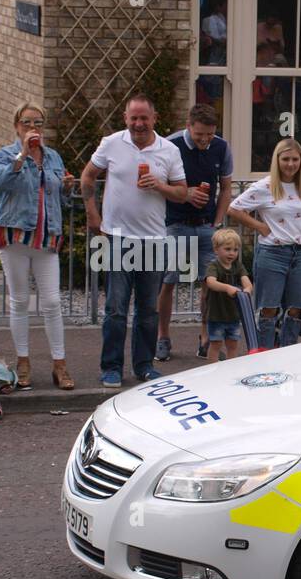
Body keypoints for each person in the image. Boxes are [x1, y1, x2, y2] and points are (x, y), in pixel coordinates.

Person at [80, 94, 187, 389]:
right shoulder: (112, 142)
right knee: (115, 307)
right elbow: (88, 176)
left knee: (148, 310)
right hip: (116, 237)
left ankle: (144, 366)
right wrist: (92, 214)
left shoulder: (168, 150)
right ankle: (111, 367)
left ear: (155, 119)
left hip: (153, 239)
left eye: (144, 118)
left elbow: (182, 193)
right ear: (125, 118)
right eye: (133, 118)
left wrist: (159, 185)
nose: (138, 124)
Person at [227, 138, 301, 349]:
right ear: (277, 160)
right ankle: (263, 353)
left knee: (296, 309)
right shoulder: (265, 186)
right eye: (285, 159)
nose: (290, 164)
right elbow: (234, 209)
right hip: (272, 253)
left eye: (295, 159)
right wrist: (260, 226)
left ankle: (288, 351)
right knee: (269, 308)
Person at [0, 102, 77, 390]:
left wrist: (66, 188)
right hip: (15, 237)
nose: (33, 128)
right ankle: (23, 362)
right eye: (27, 123)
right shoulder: (5, 154)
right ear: (17, 126)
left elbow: (59, 200)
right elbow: (1, 182)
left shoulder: (53, 157)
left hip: (46, 238)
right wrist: (23, 153)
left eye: (38, 123)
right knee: (20, 301)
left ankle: (59, 364)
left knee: (52, 302)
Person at [157, 103, 235, 361]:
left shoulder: (221, 147)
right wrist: (184, 194)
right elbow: (158, 184)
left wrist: (218, 221)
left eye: (209, 135)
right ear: (188, 125)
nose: (204, 140)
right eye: (199, 134)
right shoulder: (170, 145)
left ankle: (206, 338)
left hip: (206, 226)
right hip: (174, 223)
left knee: (210, 285)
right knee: (168, 282)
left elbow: (225, 187)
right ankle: (163, 337)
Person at [201, 228, 252, 361]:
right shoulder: (214, 266)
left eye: (235, 250)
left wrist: (247, 290)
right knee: (216, 344)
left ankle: (230, 371)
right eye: (227, 249)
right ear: (216, 249)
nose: (232, 253)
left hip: (233, 315)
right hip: (216, 315)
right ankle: (211, 371)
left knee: (233, 344)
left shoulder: (238, 266)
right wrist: (228, 287)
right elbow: (211, 282)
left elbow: (247, 283)